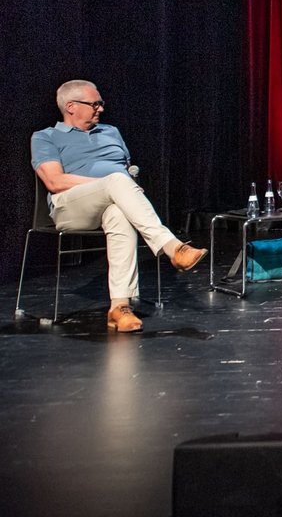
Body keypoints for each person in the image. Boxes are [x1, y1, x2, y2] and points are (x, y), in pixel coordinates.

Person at [30, 80, 208, 332]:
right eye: (95, 104)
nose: (100, 109)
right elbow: (54, 181)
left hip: (111, 200)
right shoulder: (45, 137)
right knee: (116, 181)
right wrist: (113, 184)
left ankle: (119, 307)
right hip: (71, 205)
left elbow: (127, 171)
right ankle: (173, 248)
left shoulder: (111, 132)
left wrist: (126, 188)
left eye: (100, 103)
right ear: (70, 106)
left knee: (119, 214)